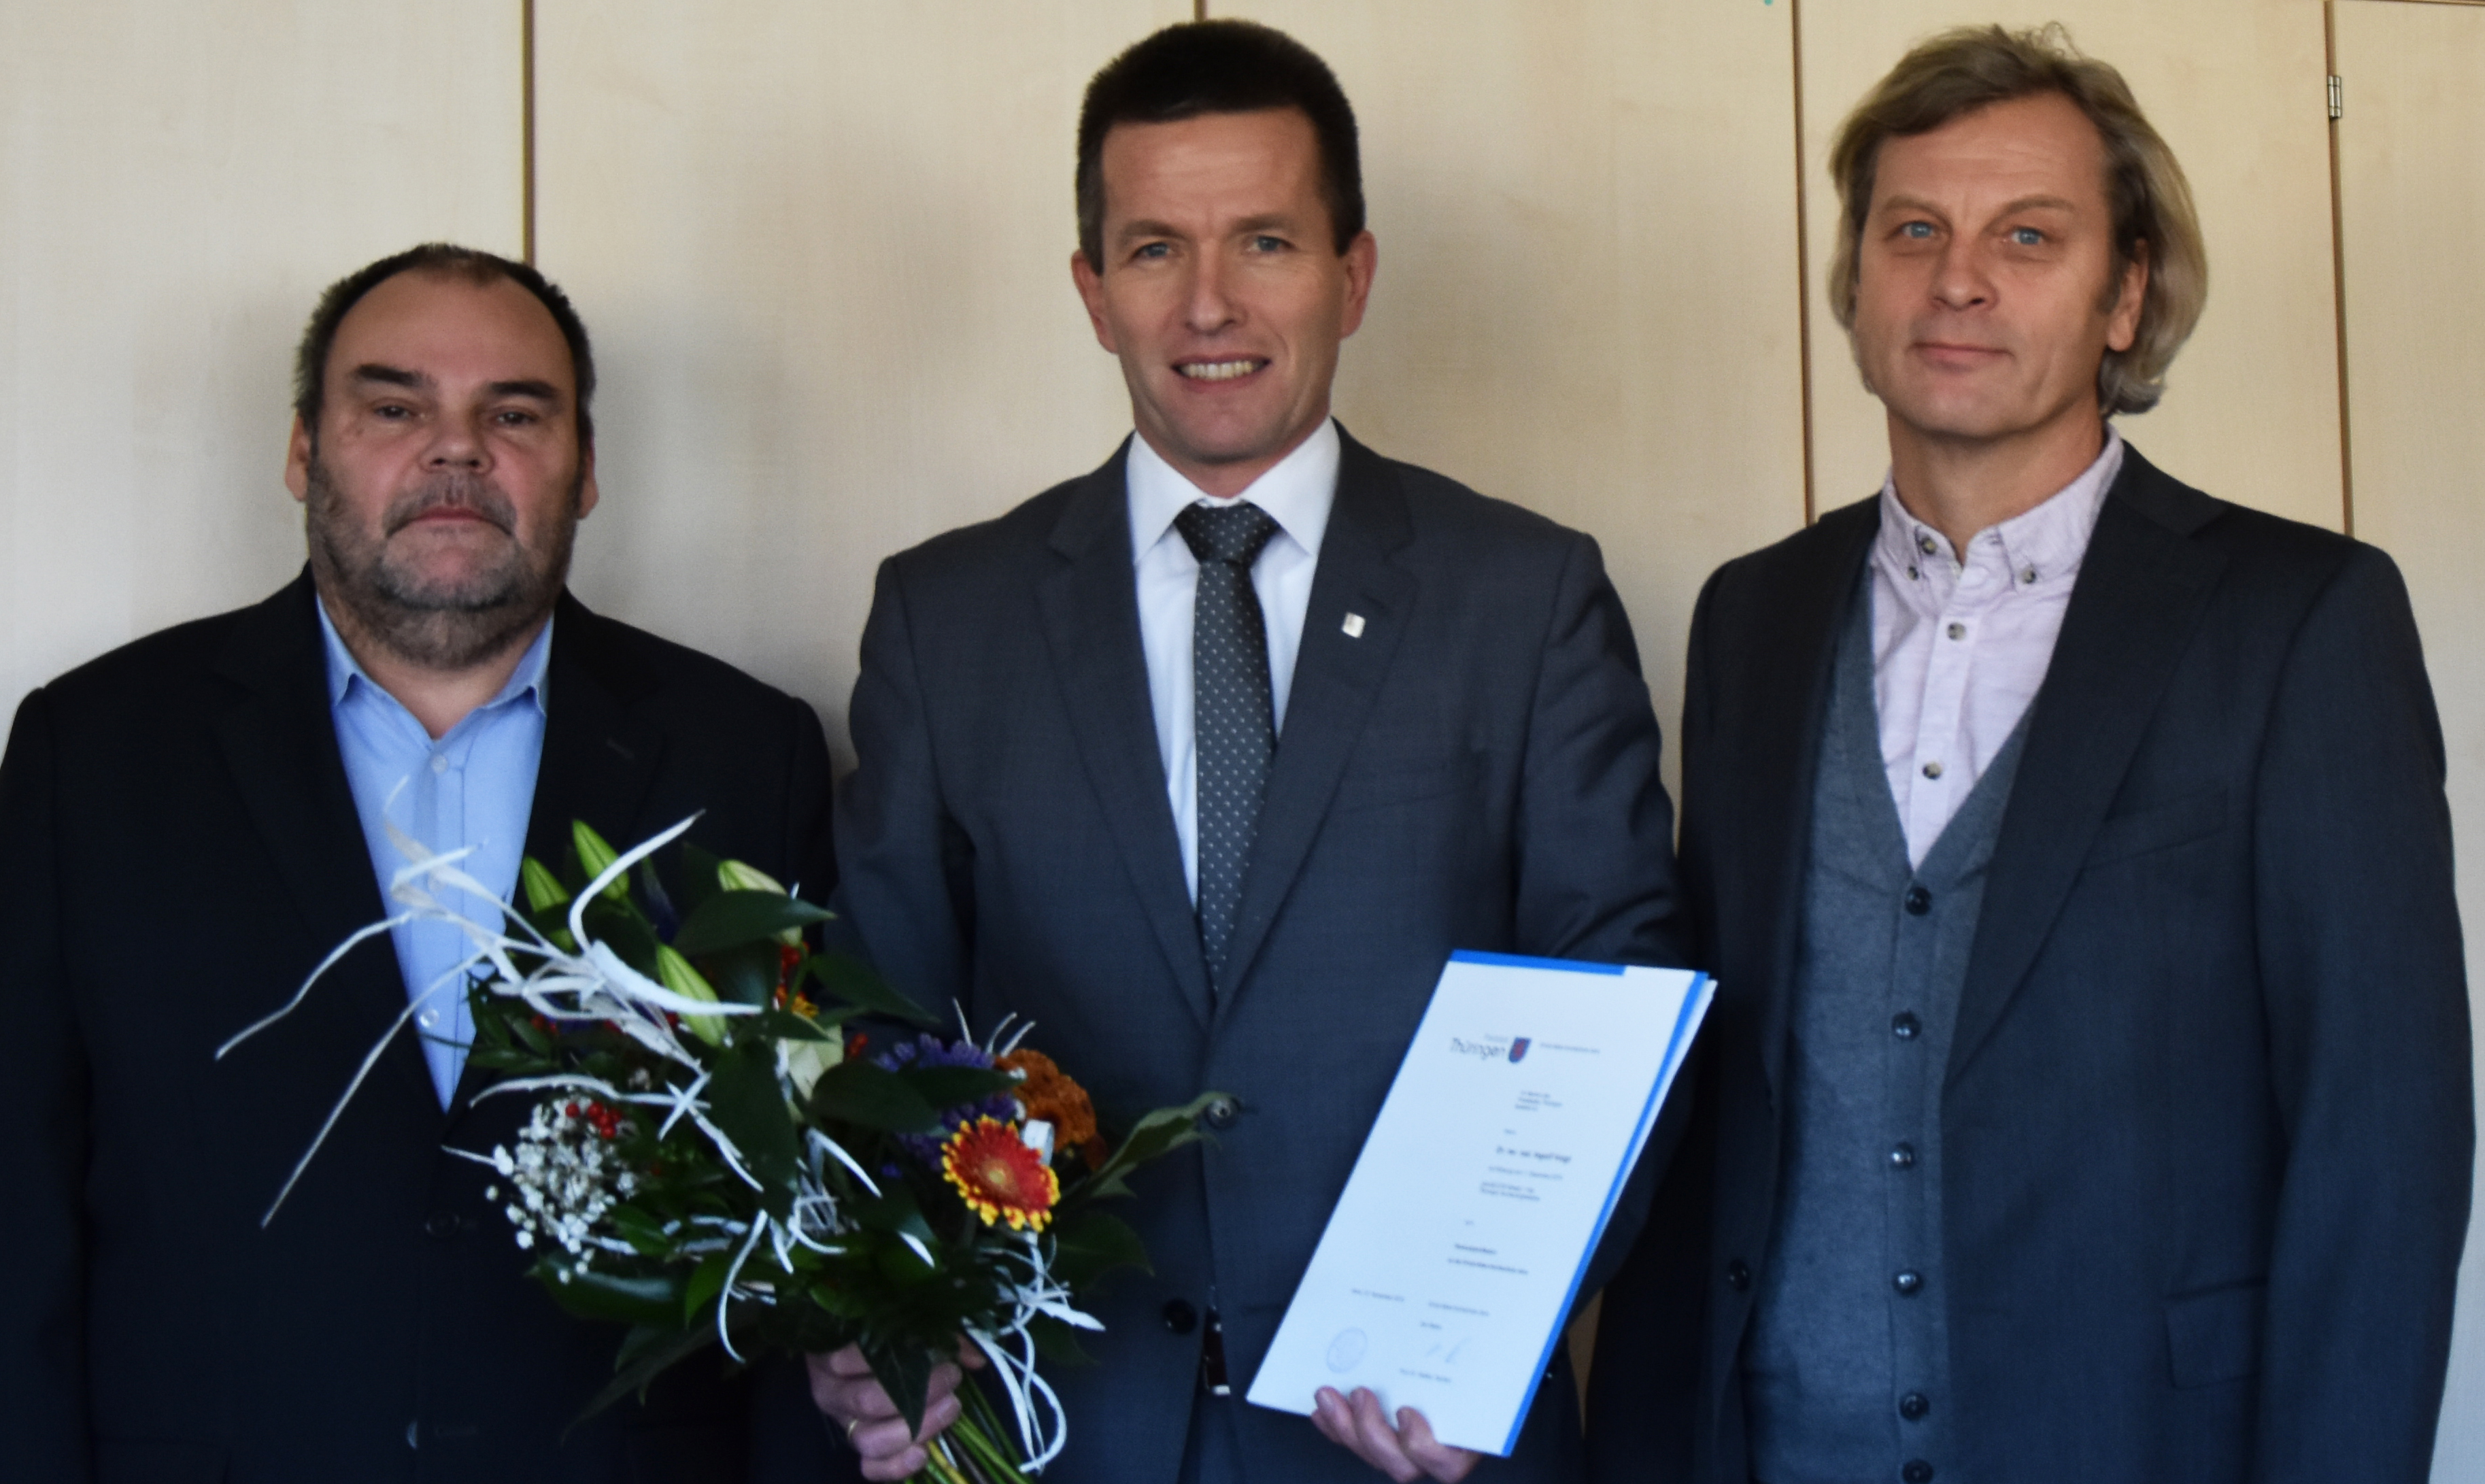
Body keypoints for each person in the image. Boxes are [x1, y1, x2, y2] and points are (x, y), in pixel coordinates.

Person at [1587, 24, 2471, 1484]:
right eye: (1912, 230)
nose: (1958, 279)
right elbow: (1718, 1086)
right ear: (1855, 280)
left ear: (2126, 296)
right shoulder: (1753, 616)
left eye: (2028, 235)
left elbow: (2383, 1144)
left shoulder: (2301, 617)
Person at [814, 20, 1685, 1484]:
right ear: (1093, 292)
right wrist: (888, 1310)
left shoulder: (1524, 596)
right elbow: (878, 1023)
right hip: (1055, 1426)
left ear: (1353, 274)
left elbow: (1618, 1000)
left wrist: (1490, 1333)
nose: (1208, 302)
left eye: (1264, 242)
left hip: (1416, 1437)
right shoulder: (944, 614)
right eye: (1154, 249)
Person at [0, 243, 840, 1481]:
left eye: (516, 413)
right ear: (304, 451)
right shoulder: (94, 751)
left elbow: (801, 1209)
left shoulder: (747, 754)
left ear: (586, 468)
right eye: (395, 408)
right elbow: (17, 1210)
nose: (458, 450)